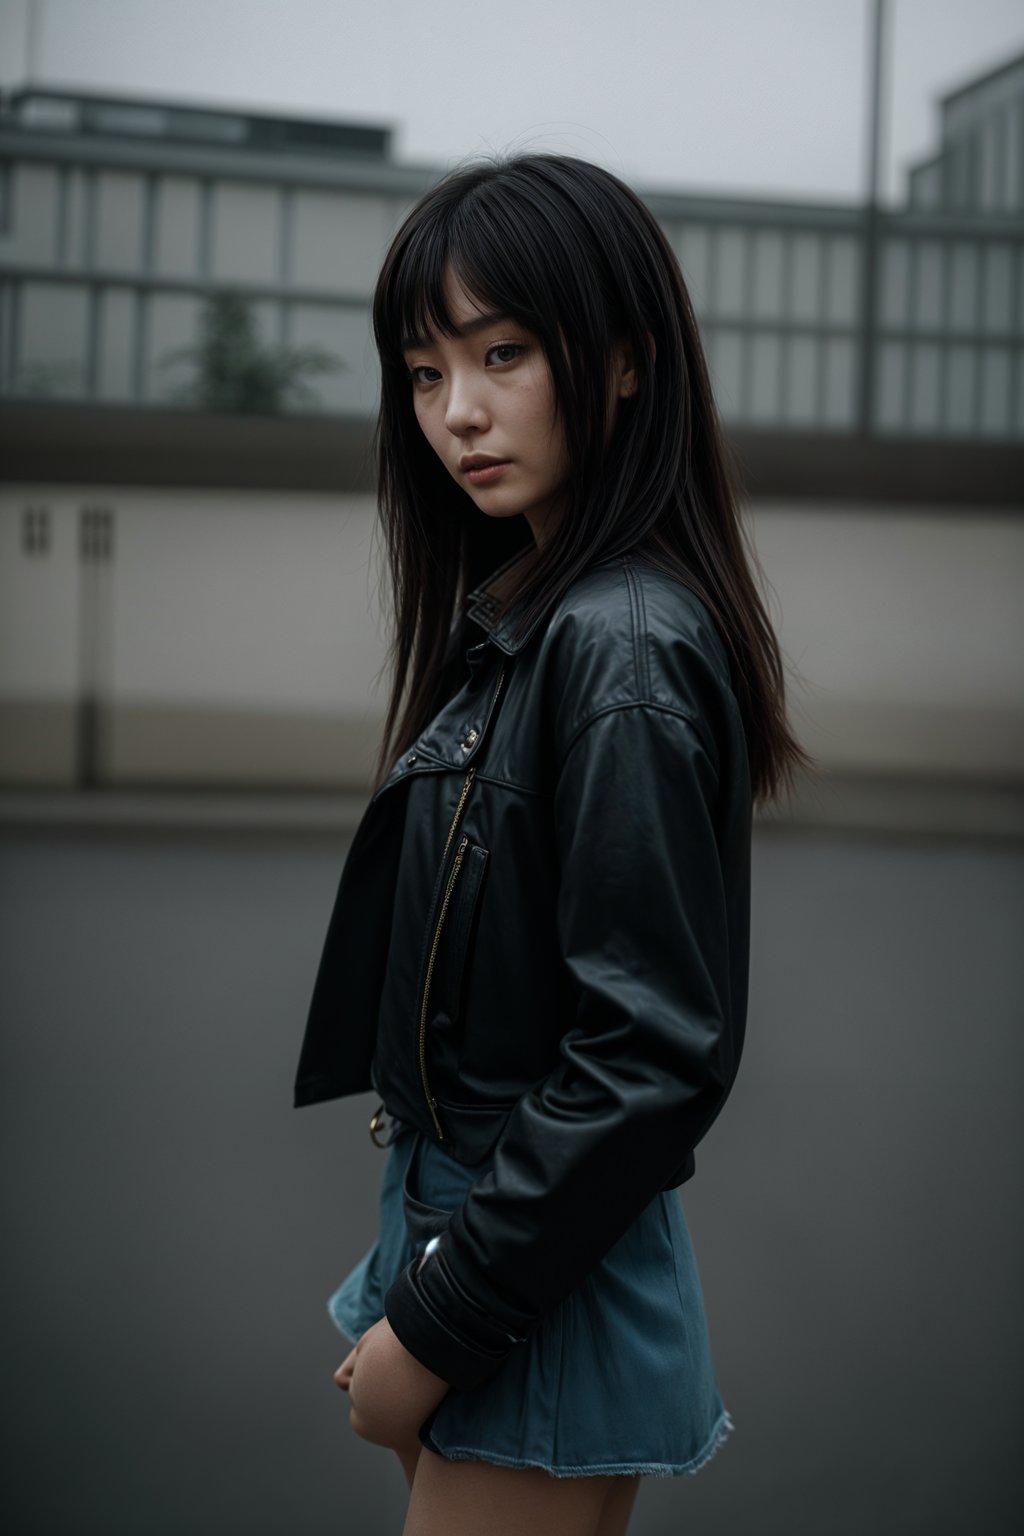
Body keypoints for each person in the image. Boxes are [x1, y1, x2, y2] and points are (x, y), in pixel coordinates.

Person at [293, 152, 811, 1536]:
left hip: (526, 1258)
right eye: (421, 371)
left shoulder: (619, 643)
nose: (455, 412)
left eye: (502, 352)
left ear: (626, 362)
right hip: (483, 1219)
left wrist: (441, 1320)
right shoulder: (538, 617)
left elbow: (647, 1055)